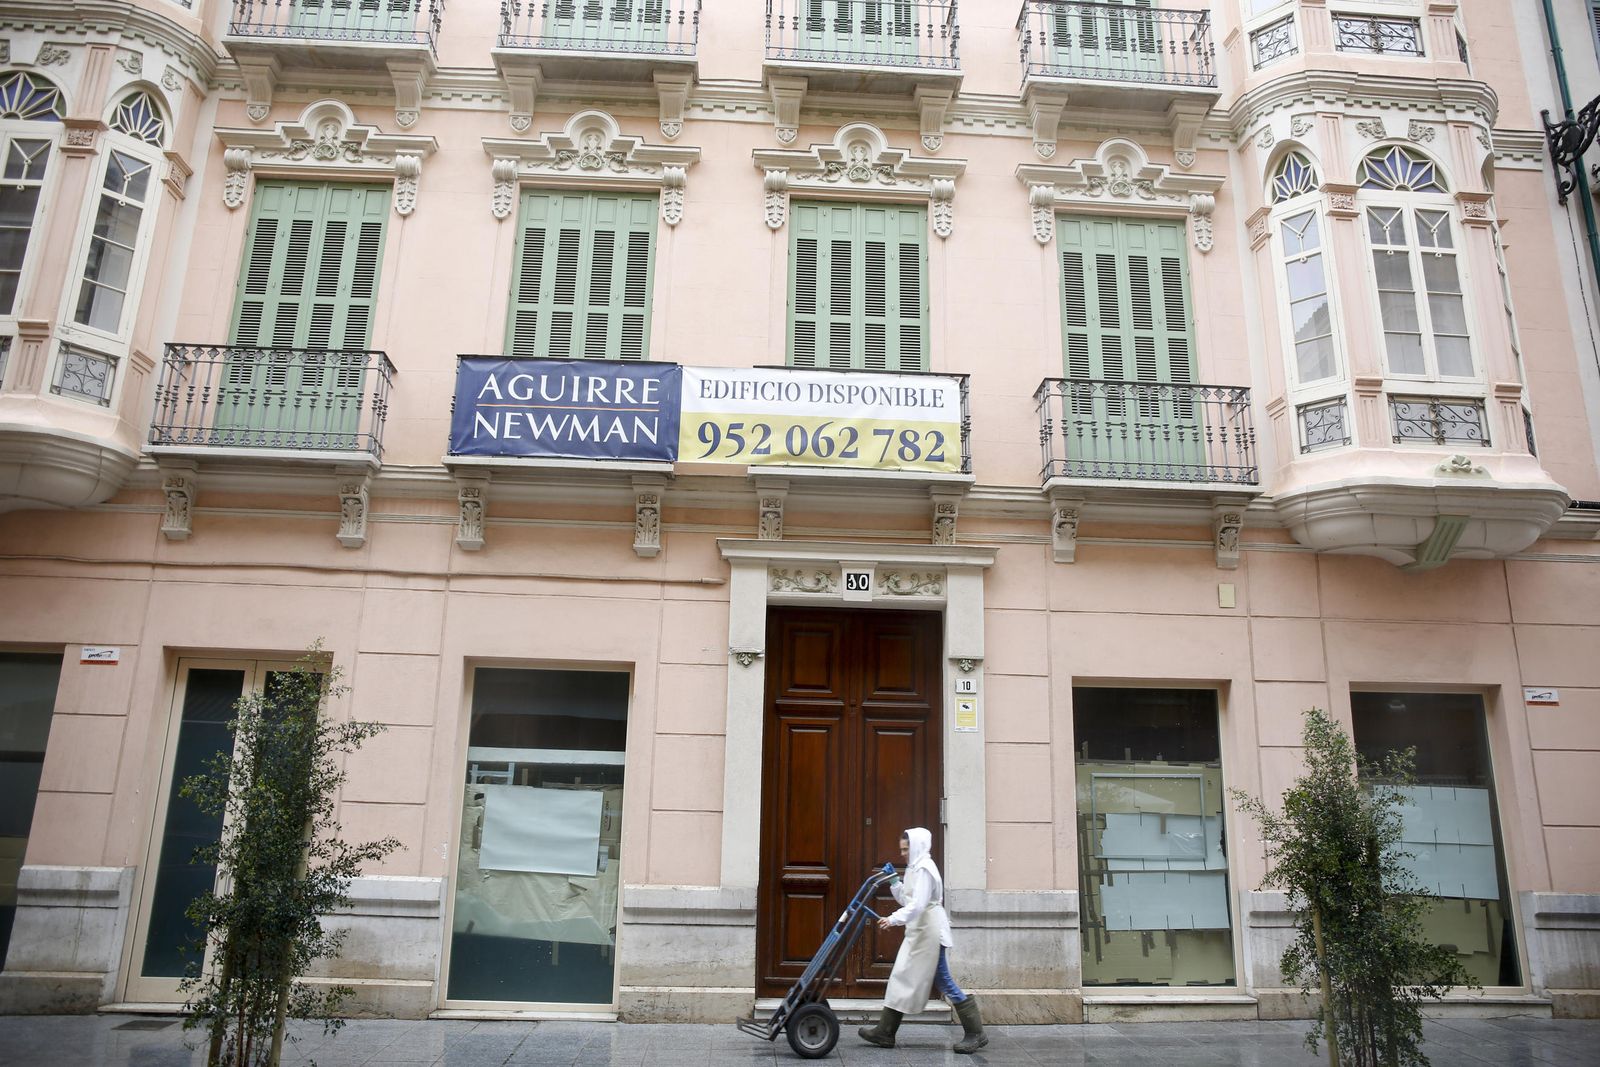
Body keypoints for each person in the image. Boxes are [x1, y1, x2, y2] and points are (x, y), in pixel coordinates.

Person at [857, 826, 988, 1054]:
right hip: (919, 931)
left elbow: (918, 905)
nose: (903, 854)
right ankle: (885, 1031)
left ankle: (976, 1032)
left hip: (930, 931)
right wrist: (895, 882)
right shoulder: (914, 868)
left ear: (917, 846)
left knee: (944, 980)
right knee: (900, 975)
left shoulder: (925, 869)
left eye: (906, 849)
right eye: (901, 849)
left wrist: (892, 920)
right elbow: (908, 901)